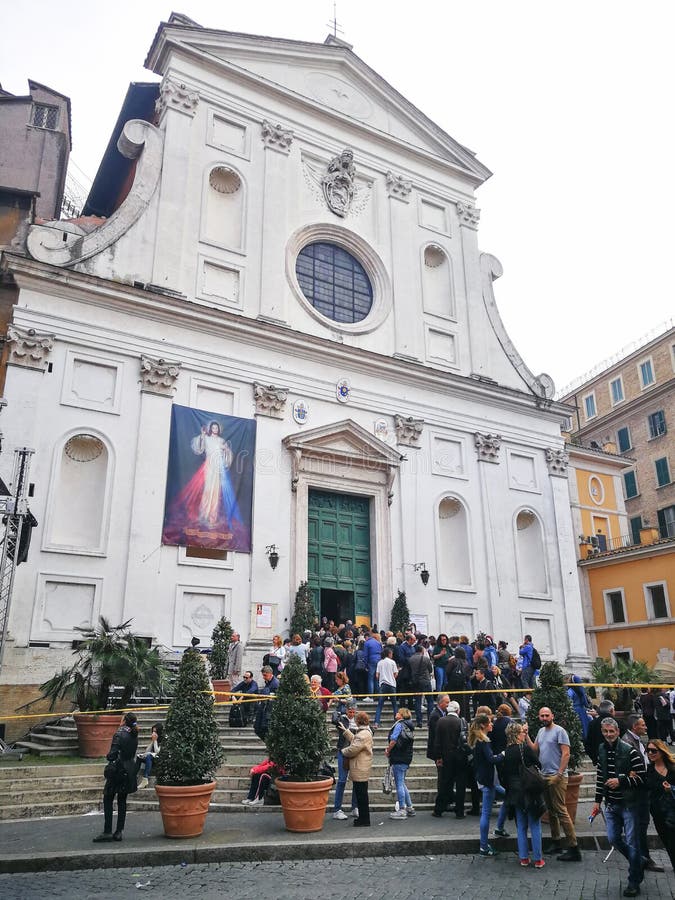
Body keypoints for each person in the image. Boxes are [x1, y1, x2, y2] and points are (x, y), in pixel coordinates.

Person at [590, 717, 646, 897]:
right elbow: (600, 776)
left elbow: (642, 778)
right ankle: (638, 860)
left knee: (632, 842)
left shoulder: (630, 751)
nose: (608, 735)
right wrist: (597, 801)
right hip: (611, 803)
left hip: (629, 804)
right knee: (613, 839)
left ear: (618, 732)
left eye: (611, 731)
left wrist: (621, 781)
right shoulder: (601, 749)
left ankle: (634, 881)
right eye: (605, 731)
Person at [526, 706, 581, 861]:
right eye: (542, 715)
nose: (544, 718)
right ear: (539, 717)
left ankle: (573, 847)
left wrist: (559, 774)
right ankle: (556, 842)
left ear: (552, 715)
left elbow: (566, 753)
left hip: (557, 777)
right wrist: (526, 736)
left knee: (561, 810)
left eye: (547, 715)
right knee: (551, 811)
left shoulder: (560, 731)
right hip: (544, 776)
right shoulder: (541, 732)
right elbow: (535, 749)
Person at [622, 715, 664, 873]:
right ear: (634, 727)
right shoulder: (627, 742)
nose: (646, 727)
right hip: (637, 792)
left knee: (642, 826)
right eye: (643, 725)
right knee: (640, 826)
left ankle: (643, 858)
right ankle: (643, 859)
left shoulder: (636, 741)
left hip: (644, 790)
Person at [501, 722, 545, 868]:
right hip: (529, 789)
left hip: (515, 792)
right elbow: (538, 764)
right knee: (535, 824)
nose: (524, 734)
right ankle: (538, 859)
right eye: (522, 732)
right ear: (516, 734)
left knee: (521, 826)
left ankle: (524, 858)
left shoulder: (506, 752)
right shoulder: (524, 749)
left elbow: (504, 776)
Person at [93, 712, 139, 842]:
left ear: (124, 721)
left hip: (118, 770)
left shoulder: (119, 734)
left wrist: (108, 756)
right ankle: (119, 831)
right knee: (122, 800)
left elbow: (112, 754)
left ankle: (107, 831)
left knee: (108, 798)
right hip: (129, 769)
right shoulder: (134, 734)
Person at [468, 712, 506, 857]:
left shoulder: (479, 740)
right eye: (490, 722)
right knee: (486, 813)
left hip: (486, 779)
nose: (492, 724)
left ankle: (499, 828)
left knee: (508, 797)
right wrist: (503, 754)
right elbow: (491, 759)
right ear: (483, 725)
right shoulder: (483, 741)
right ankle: (484, 846)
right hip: (488, 780)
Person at [189, 421, 240, 529]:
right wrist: (202, 435)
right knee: (207, 490)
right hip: (209, 467)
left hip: (218, 468)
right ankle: (204, 515)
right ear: (211, 429)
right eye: (213, 428)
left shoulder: (221, 441)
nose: (215, 429)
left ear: (219, 429)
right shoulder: (207, 439)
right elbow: (200, 448)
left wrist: (226, 450)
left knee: (216, 492)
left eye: (217, 428)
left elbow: (228, 454)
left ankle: (213, 517)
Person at [432, 699, 466, 818]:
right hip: (460, 757)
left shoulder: (441, 721)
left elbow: (437, 742)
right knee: (460, 784)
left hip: (446, 757)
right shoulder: (461, 722)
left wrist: (438, 756)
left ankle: (439, 809)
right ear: (458, 710)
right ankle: (459, 811)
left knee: (445, 783)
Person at [645, 739, 675, 870]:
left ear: (662, 752)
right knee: (668, 842)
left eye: (654, 750)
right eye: (648, 750)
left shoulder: (672, 768)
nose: (650, 753)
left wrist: (671, 789)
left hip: (672, 810)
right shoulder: (649, 770)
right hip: (658, 812)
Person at [340, 710, 373, 826]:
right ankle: (364, 818)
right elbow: (356, 740)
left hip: (360, 767)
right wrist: (346, 731)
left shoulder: (362, 734)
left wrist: (343, 751)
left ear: (358, 721)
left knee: (361, 796)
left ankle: (364, 820)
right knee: (362, 794)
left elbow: (353, 749)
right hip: (363, 767)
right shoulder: (365, 732)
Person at [386, 707, 415, 819]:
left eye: (398, 712)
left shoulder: (399, 725)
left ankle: (402, 809)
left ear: (401, 715)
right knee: (402, 783)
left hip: (398, 757)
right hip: (406, 757)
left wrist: (388, 750)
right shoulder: (409, 726)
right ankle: (410, 807)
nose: (396, 713)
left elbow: (393, 740)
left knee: (399, 783)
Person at [332, 701, 358, 819]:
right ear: (346, 710)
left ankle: (355, 807)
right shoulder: (342, 719)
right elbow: (335, 720)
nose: (352, 714)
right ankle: (337, 809)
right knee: (342, 780)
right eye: (350, 711)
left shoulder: (358, 720)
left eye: (353, 712)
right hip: (343, 751)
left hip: (354, 752)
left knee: (357, 780)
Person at [408, 643, 433, 727]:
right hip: (425, 681)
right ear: (422, 651)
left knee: (418, 701)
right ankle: (430, 721)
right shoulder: (426, 659)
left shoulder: (411, 659)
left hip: (416, 682)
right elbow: (430, 669)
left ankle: (419, 721)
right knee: (430, 701)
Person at [374, 645, 398, 728]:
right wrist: (391, 678)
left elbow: (377, 675)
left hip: (383, 685)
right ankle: (397, 721)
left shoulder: (380, 662)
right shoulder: (392, 662)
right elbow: (396, 673)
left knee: (380, 705)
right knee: (394, 704)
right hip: (392, 684)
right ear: (389, 653)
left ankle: (376, 722)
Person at [253, 665, 278, 740]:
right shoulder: (268, 683)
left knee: (264, 729)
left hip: (269, 711)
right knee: (257, 728)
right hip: (263, 709)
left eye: (265, 675)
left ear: (270, 673)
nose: (263, 677)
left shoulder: (275, 684)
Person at [566, 674, 593, 740]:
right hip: (582, 711)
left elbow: (567, 703)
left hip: (574, 711)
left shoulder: (570, 692)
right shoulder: (580, 692)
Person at [137, 722, 163, 789]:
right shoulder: (154, 739)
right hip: (151, 759)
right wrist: (152, 741)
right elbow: (147, 751)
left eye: (155, 731)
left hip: (159, 759)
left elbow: (158, 752)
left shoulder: (163, 740)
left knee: (149, 756)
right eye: (153, 731)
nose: (153, 733)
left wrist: (155, 741)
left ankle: (145, 779)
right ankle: (133, 776)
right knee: (139, 757)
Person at [363, 630, 383, 700]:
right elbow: (382, 652)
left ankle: (370, 696)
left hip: (371, 661)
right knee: (376, 679)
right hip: (379, 660)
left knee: (370, 679)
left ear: (367, 637)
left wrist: (365, 665)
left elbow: (365, 655)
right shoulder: (378, 642)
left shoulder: (367, 643)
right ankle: (377, 695)